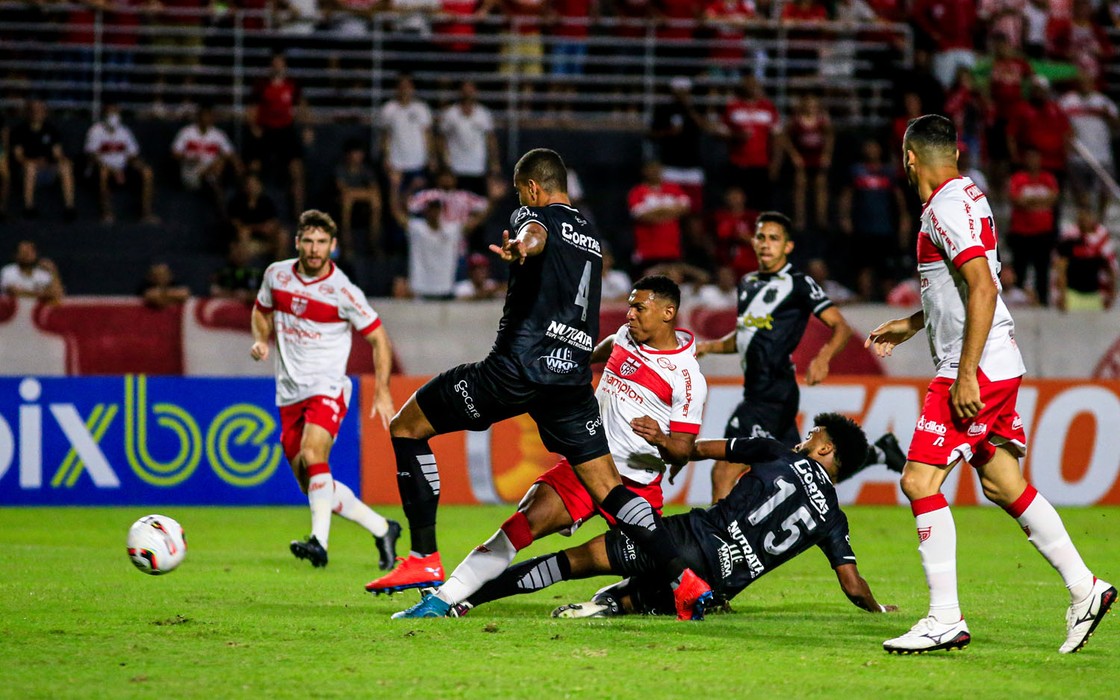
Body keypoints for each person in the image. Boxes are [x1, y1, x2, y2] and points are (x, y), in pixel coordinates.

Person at [363, 149, 715, 621]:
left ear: (531, 188)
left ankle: (423, 557)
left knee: (407, 426)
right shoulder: (591, 233)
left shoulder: (533, 215)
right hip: (569, 382)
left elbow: (535, 233)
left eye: (519, 193)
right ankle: (685, 581)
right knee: (608, 488)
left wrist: (522, 246)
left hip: (517, 370)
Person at [866, 114, 1115, 655]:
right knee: (1002, 483)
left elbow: (980, 289)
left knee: (918, 482)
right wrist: (913, 325)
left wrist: (962, 374)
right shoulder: (969, 197)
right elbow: (969, 286)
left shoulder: (944, 208)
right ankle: (1085, 587)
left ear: (910, 159)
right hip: (994, 360)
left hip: (974, 367)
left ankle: (944, 618)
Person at [391, 275, 708, 619]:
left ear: (667, 312)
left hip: (639, 488)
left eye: (639, 307)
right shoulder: (621, 340)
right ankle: (447, 600)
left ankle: (611, 602)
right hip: (589, 468)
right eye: (630, 306)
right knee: (518, 527)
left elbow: (682, 450)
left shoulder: (687, 377)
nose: (629, 314)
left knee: (648, 577)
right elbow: (578, 364)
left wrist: (661, 440)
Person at [445, 414, 896, 622]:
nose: (802, 441)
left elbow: (697, 450)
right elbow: (853, 587)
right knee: (638, 598)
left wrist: (664, 442)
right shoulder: (833, 518)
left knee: (568, 563)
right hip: (716, 583)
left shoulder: (776, 451)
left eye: (811, 437)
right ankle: (614, 605)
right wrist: (879, 609)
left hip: (682, 539)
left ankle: (466, 601)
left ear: (824, 449)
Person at [250, 210, 402, 570]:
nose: (315, 249)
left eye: (322, 243)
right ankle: (382, 528)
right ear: (297, 242)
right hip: (289, 393)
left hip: (327, 387)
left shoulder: (344, 291)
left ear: (333, 246)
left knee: (313, 452)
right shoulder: (277, 275)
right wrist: (261, 339)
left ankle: (318, 542)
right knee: (313, 484)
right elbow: (261, 311)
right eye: (308, 241)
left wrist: (382, 390)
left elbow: (379, 339)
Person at [244, 51, 311, 216]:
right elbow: (251, 109)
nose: (277, 67)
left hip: (285, 131)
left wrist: (308, 127)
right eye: (274, 63)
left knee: (297, 170)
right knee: (253, 168)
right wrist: (254, 127)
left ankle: (298, 212)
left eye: (280, 63)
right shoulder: (261, 85)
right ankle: (251, 206)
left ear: (285, 66)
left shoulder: (292, 85)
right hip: (266, 130)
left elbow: (303, 107)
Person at [84, 102, 158, 225]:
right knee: (103, 172)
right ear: (104, 114)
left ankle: (146, 213)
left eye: (116, 112)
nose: (113, 115)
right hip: (102, 168)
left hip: (123, 168)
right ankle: (107, 213)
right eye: (110, 112)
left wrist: (135, 164)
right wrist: (113, 169)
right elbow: (91, 155)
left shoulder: (125, 131)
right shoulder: (95, 130)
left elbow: (133, 153)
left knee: (147, 171)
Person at [10, 99, 76, 221]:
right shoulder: (19, 131)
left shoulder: (51, 130)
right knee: (30, 167)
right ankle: (29, 207)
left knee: (65, 166)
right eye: (34, 110)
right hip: (26, 171)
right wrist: (34, 162)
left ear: (45, 112)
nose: (37, 113)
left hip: (47, 169)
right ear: (28, 112)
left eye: (40, 110)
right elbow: (18, 156)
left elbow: (57, 153)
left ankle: (69, 207)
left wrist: (63, 160)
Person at [171, 104, 238, 216]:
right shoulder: (186, 132)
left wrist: (239, 169)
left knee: (221, 163)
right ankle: (223, 207)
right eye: (204, 116)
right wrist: (190, 158)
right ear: (198, 117)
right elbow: (174, 154)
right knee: (214, 174)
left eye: (209, 116)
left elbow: (230, 154)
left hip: (213, 170)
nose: (206, 119)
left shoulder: (219, 134)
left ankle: (226, 199)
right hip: (191, 170)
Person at [1054, 207, 1118, 312]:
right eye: (1082, 219)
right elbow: (1061, 268)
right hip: (1073, 293)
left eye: (1087, 219)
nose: (1085, 222)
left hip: (1094, 294)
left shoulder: (1101, 240)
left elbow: (1109, 267)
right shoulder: (1070, 239)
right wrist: (1062, 294)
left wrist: (1112, 291)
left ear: (1093, 220)